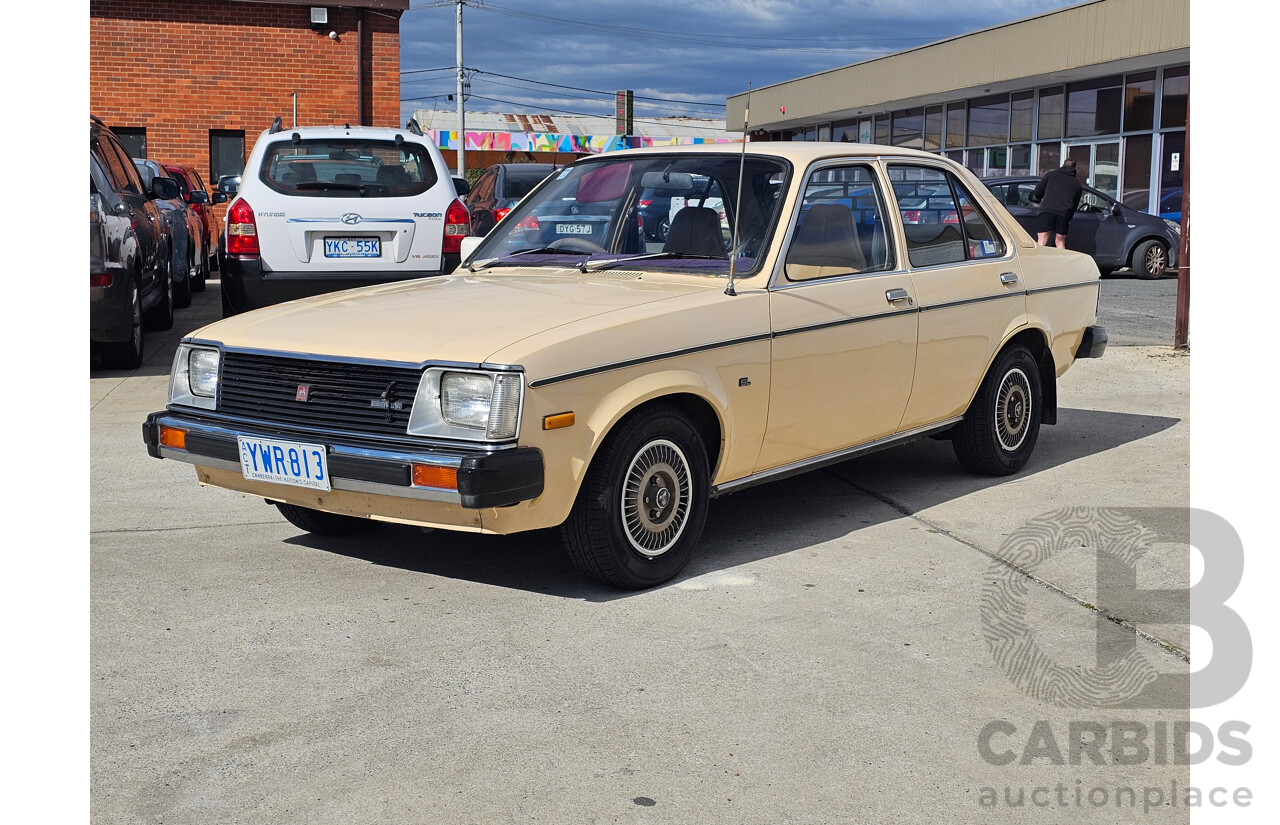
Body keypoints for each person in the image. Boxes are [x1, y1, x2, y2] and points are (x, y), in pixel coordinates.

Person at [1030, 158, 1084, 248]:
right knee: (1060, 241)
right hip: (1063, 213)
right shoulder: (1077, 183)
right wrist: (1069, 218)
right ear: (1074, 168)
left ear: (1063, 165)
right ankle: (1061, 261)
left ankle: (1040, 259)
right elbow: (1075, 204)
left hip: (1047, 211)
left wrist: (1038, 198)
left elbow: (1038, 192)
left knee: (1042, 238)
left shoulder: (1051, 175)